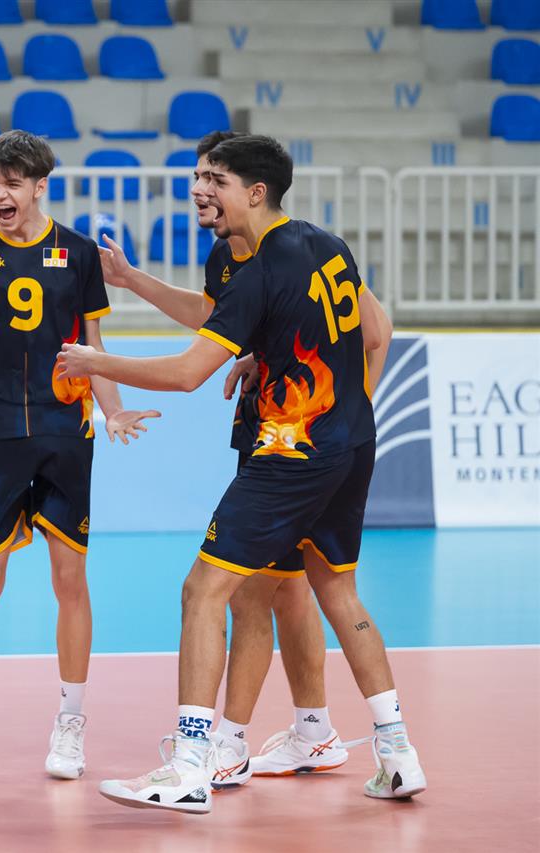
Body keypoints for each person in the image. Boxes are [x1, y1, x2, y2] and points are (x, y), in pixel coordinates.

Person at [56, 135, 426, 814]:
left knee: (204, 590)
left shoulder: (258, 269)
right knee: (333, 592)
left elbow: (189, 372)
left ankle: (190, 765)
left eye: (216, 180)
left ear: (256, 192)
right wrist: (338, 403)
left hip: (289, 448)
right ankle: (396, 751)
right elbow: (371, 332)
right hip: (350, 442)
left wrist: (94, 362)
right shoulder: (325, 245)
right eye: (200, 177)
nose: (202, 190)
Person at [0, 130, 159, 783]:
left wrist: (113, 410)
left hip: (64, 434)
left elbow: (92, 344)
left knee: (70, 580)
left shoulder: (78, 253)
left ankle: (71, 722)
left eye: (12, 183)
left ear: (38, 186)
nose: (0, 194)